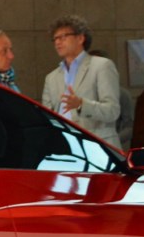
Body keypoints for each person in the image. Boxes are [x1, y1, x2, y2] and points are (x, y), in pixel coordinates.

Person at [40, 15, 122, 146]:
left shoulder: (102, 66)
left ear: (80, 38)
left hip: (98, 144)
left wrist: (81, 105)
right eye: (55, 38)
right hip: (65, 145)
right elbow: (47, 116)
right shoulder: (51, 78)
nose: (57, 42)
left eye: (63, 37)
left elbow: (112, 111)